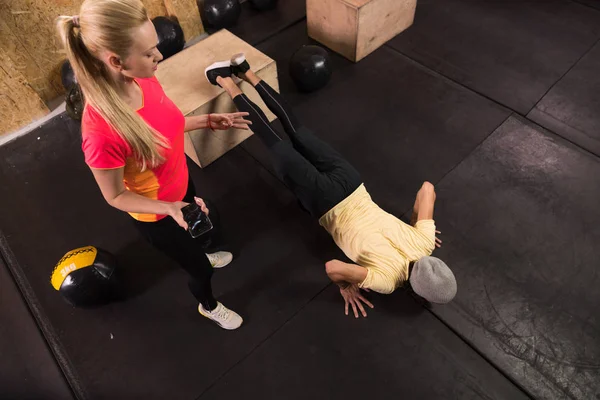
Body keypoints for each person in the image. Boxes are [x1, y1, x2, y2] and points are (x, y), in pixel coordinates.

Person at [204, 54, 457, 318]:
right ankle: (223, 78)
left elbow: (427, 189)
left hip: (353, 182)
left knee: (294, 126)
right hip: (327, 201)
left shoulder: (425, 242)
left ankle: (245, 71)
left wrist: (418, 226)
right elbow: (332, 266)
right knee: (270, 136)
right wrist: (346, 286)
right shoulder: (388, 282)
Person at [56, 0, 252, 330]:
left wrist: (206, 120)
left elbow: (164, 127)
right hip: (158, 215)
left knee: (200, 235)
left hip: (181, 186)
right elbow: (115, 196)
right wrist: (170, 207)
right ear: (117, 61)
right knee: (199, 271)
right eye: (148, 53)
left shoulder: (143, 79)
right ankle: (208, 305)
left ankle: (201, 253)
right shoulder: (100, 132)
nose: (159, 56)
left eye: (155, 47)